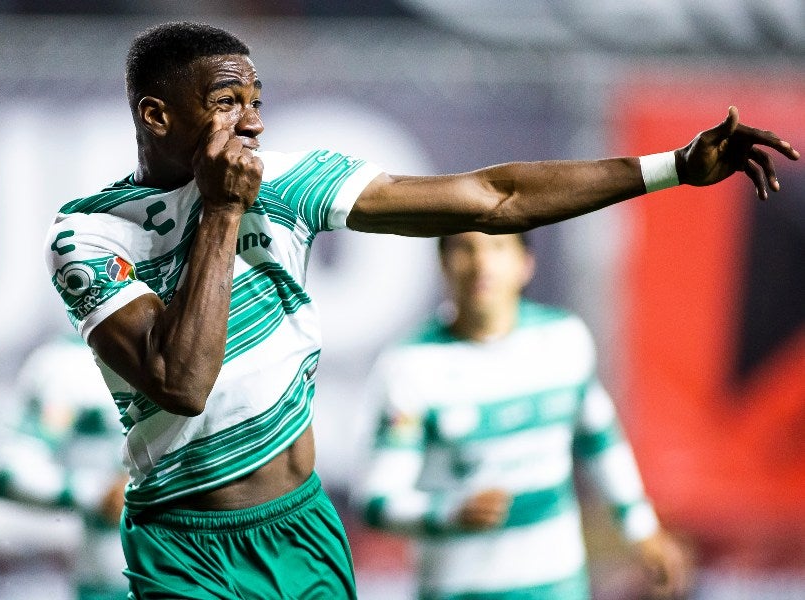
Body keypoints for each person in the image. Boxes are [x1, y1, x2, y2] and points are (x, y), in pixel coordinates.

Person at [42, 20, 797, 600]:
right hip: (184, 542)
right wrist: (220, 213)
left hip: (301, 530)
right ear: (158, 114)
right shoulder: (92, 235)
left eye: (256, 103)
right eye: (224, 103)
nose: (252, 124)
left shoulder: (290, 185)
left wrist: (672, 167)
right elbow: (182, 380)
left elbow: (490, 197)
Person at [355, 231, 691, 600]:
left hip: (560, 588)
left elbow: (599, 440)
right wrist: (447, 512)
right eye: (466, 249)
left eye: (498, 247)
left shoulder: (563, 339)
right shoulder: (410, 366)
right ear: (442, 263)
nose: (482, 263)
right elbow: (375, 499)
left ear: (526, 263)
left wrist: (642, 528)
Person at [0, 334, 128, 600]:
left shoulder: (222, 343)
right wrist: (98, 493)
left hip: (214, 574)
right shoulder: (69, 365)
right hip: (112, 584)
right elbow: (7, 470)